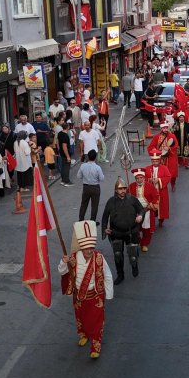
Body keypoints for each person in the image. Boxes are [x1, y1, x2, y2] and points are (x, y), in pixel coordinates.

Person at [58, 220, 114, 359]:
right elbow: (62, 271)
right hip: (79, 296)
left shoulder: (99, 258)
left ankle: (96, 345)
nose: (89, 250)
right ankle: (83, 334)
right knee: (80, 318)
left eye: (91, 247)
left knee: (96, 322)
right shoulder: (74, 258)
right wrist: (63, 262)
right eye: (86, 248)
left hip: (95, 295)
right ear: (82, 247)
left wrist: (109, 294)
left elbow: (107, 275)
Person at [101, 177, 145, 285]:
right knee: (118, 255)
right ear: (116, 190)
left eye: (124, 188)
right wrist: (104, 229)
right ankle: (120, 275)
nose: (123, 191)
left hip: (131, 231)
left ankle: (134, 266)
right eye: (120, 189)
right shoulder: (111, 202)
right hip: (116, 233)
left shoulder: (132, 199)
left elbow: (141, 209)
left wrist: (140, 216)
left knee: (133, 254)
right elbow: (105, 217)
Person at [128, 168, 158, 252]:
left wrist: (150, 205)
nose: (139, 180)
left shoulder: (150, 186)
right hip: (135, 211)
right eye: (137, 178)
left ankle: (145, 244)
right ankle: (138, 241)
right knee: (135, 228)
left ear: (144, 178)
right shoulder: (131, 186)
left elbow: (156, 197)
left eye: (141, 178)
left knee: (146, 229)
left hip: (147, 210)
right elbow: (127, 197)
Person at [144, 151, 172, 227]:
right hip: (151, 192)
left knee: (161, 207)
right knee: (151, 207)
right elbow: (143, 178)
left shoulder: (164, 168)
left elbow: (168, 177)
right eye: (153, 160)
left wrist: (159, 180)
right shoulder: (147, 168)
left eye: (156, 160)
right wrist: (150, 180)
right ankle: (151, 221)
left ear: (159, 160)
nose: (155, 162)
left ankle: (161, 221)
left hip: (161, 191)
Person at [148, 123, 179, 191]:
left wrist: (169, 148)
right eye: (164, 128)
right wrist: (155, 150)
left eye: (166, 128)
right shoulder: (156, 137)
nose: (165, 129)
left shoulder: (172, 136)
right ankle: (160, 184)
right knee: (160, 173)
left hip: (170, 157)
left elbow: (176, 145)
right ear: (161, 129)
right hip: (160, 158)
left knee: (172, 173)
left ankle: (173, 184)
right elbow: (151, 146)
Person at [77, 150, 104, 222]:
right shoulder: (98, 167)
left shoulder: (83, 166)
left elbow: (78, 176)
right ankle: (92, 220)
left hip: (86, 187)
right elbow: (101, 178)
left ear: (88, 157)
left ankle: (81, 219)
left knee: (84, 204)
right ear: (95, 157)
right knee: (94, 205)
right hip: (95, 187)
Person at [57, 122, 74, 186]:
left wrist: (59, 150)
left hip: (61, 152)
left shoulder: (60, 133)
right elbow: (64, 146)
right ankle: (66, 181)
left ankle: (63, 180)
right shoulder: (65, 136)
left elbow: (58, 142)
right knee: (66, 168)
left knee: (63, 167)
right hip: (65, 154)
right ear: (68, 127)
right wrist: (68, 156)